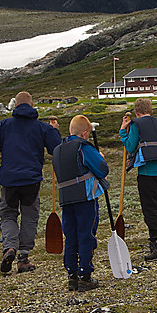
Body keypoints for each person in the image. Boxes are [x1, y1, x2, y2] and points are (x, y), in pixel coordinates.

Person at [0, 91, 61, 274]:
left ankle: (9, 247)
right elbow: (57, 150)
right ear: (32, 105)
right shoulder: (42, 127)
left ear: (15, 106)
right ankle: (23, 258)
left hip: (8, 181)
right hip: (31, 180)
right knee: (29, 216)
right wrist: (55, 131)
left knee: (8, 214)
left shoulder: (3, 126)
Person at [53, 115, 110, 291]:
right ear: (85, 133)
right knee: (86, 235)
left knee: (71, 236)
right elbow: (102, 169)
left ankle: (72, 275)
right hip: (85, 197)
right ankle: (85, 275)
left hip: (66, 199)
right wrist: (99, 156)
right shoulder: (83, 147)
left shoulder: (58, 149)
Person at [120, 99, 157, 261]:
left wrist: (123, 131)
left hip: (147, 171)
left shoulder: (136, 124)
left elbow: (130, 146)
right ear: (151, 111)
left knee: (149, 209)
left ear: (136, 112)